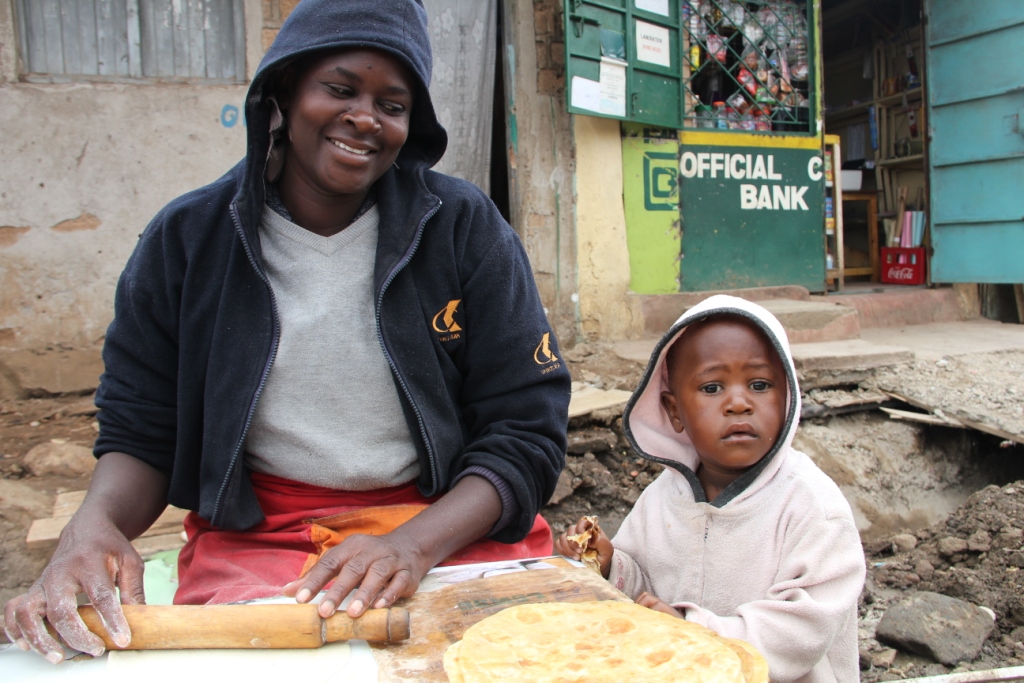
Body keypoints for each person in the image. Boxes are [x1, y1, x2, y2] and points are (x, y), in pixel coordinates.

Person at [6, 0, 570, 664]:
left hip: (441, 520)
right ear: (283, 92)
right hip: (267, 532)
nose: (364, 117)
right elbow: (141, 429)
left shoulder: (463, 228)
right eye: (339, 89)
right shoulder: (188, 241)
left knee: (515, 657)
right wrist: (92, 527)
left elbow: (526, 430)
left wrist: (413, 545)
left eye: (392, 104)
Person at [555, 295, 865, 683]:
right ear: (674, 411)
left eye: (759, 384)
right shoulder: (662, 500)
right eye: (712, 387)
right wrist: (609, 564)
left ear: (788, 396)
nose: (738, 403)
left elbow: (806, 628)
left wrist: (696, 631)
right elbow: (644, 588)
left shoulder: (812, 506)